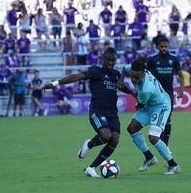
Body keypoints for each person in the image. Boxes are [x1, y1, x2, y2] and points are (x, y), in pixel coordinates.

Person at [38, 48, 135, 178]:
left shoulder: (116, 74)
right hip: (97, 111)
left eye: (113, 61)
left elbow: (122, 87)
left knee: (115, 139)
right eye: (108, 60)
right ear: (102, 59)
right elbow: (77, 76)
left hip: (113, 113)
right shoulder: (95, 70)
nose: (110, 63)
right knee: (106, 136)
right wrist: (54, 83)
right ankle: (89, 144)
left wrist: (133, 93)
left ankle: (91, 168)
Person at [119, 59, 181, 175]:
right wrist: (121, 79)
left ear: (144, 73)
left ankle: (173, 165)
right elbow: (124, 68)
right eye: (132, 76)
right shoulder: (134, 69)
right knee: (132, 128)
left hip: (161, 106)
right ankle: (149, 157)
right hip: (150, 105)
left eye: (136, 77)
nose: (133, 79)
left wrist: (136, 102)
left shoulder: (146, 88)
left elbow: (140, 104)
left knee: (153, 137)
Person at [138, 36, 184, 146]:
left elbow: (180, 74)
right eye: (162, 47)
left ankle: (165, 144)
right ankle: (160, 141)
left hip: (168, 91)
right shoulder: (152, 59)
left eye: (166, 46)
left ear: (169, 47)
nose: (164, 48)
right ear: (158, 47)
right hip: (155, 91)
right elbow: (145, 75)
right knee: (158, 116)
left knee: (168, 116)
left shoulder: (174, 58)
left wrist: (181, 89)